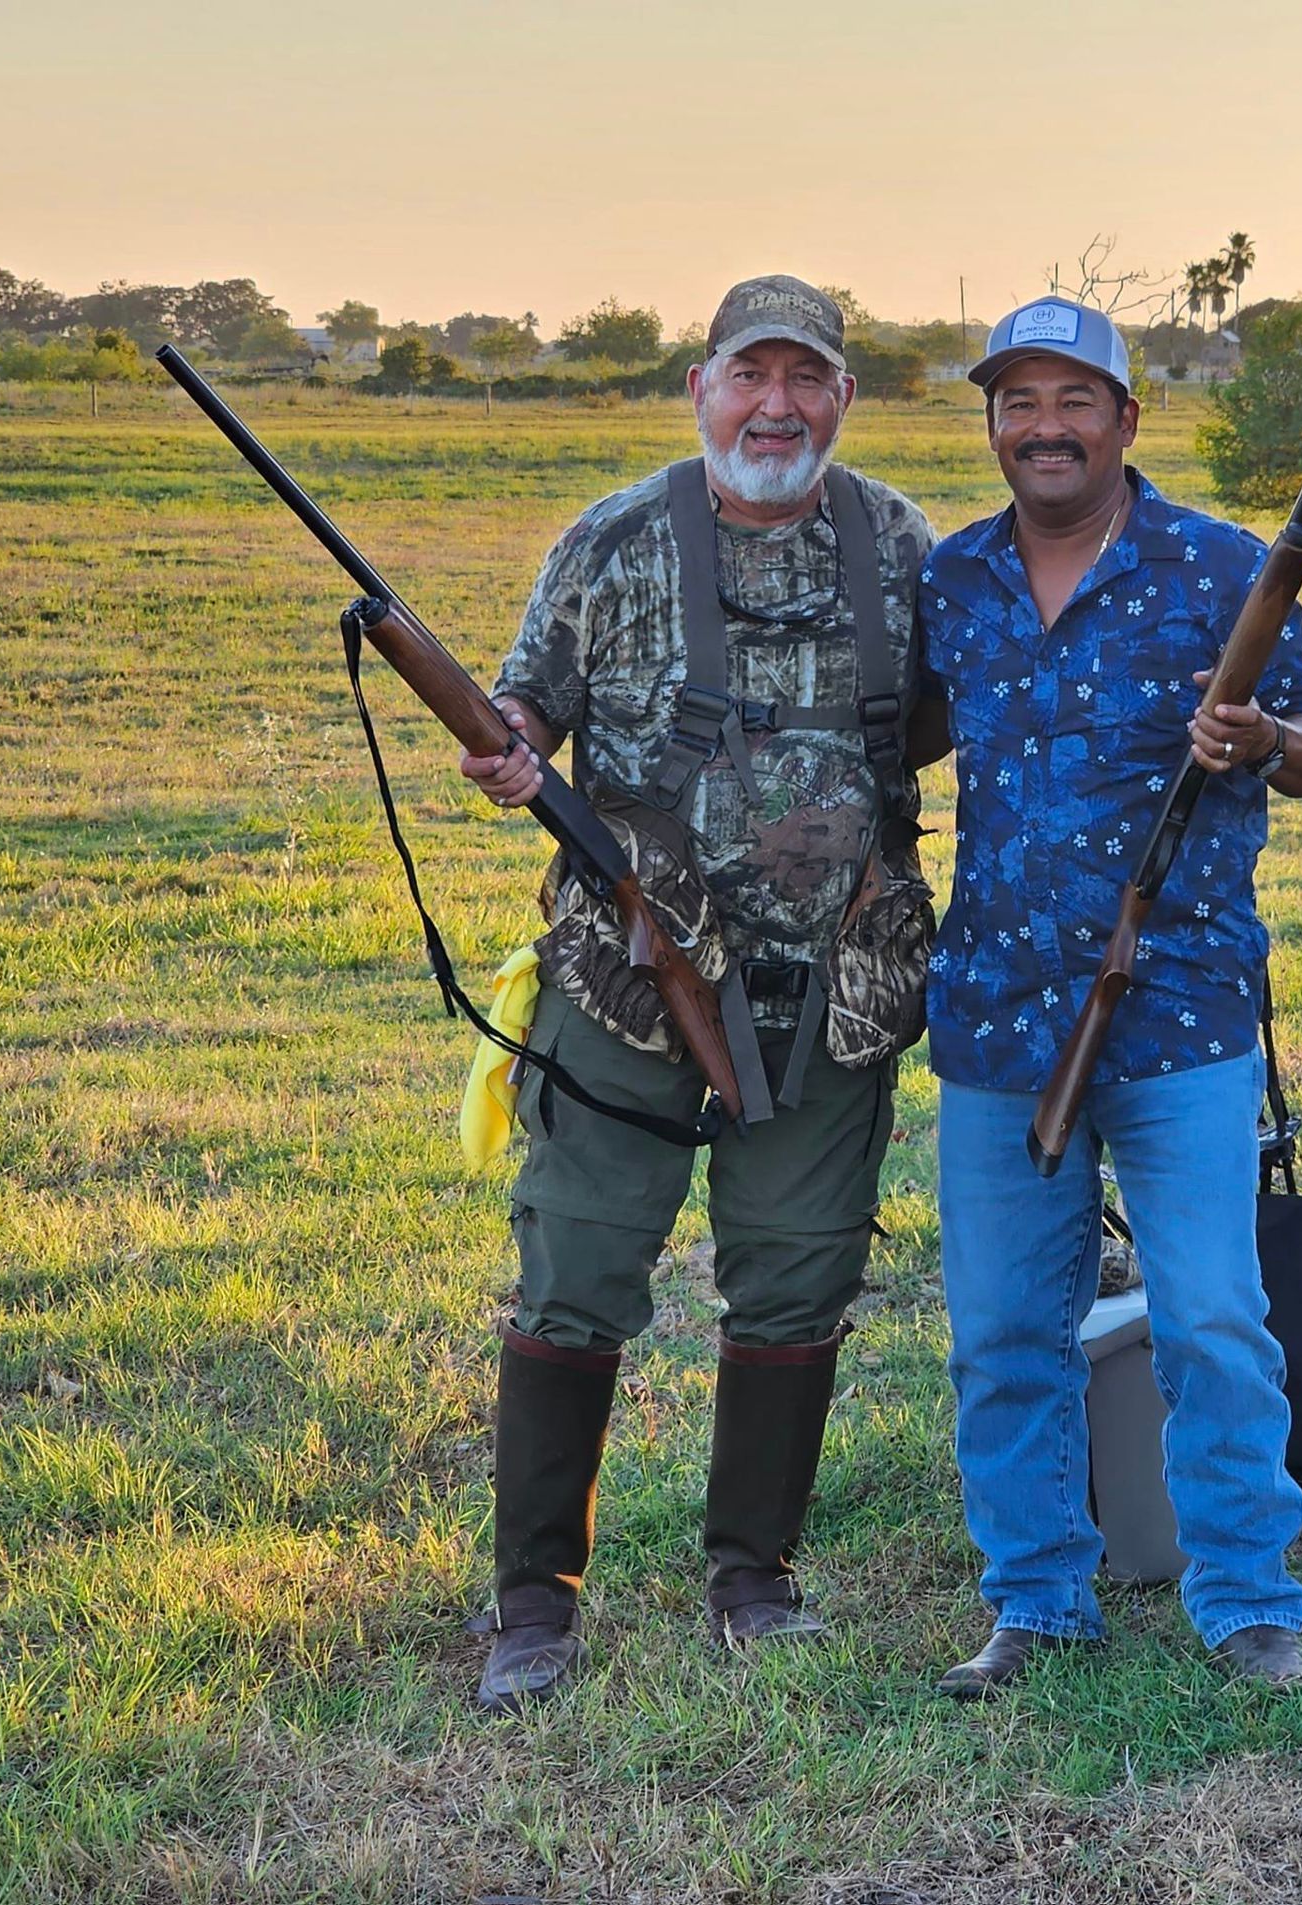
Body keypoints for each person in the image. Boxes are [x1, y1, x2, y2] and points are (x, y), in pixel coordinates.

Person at [458, 276, 934, 1713]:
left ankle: (754, 1578)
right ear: (700, 384)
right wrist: (507, 745)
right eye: (751, 375)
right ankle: (535, 1603)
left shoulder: (905, 546)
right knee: (577, 1273)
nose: (775, 405)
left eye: (809, 378)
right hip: (623, 978)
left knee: (797, 1279)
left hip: (832, 994)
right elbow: (524, 699)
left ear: (844, 398)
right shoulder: (610, 540)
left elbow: (969, 715)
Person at [915, 297, 1302, 1697]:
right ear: (993, 424)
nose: (1043, 427)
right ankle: (1037, 1600)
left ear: (1125, 420)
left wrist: (1265, 736)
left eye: (1072, 401)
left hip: (1178, 1014)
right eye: (1017, 403)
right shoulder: (955, 583)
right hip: (993, 1017)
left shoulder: (1219, 566)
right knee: (999, 1330)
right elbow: (897, 743)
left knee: (1213, 1314)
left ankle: (1246, 1600)